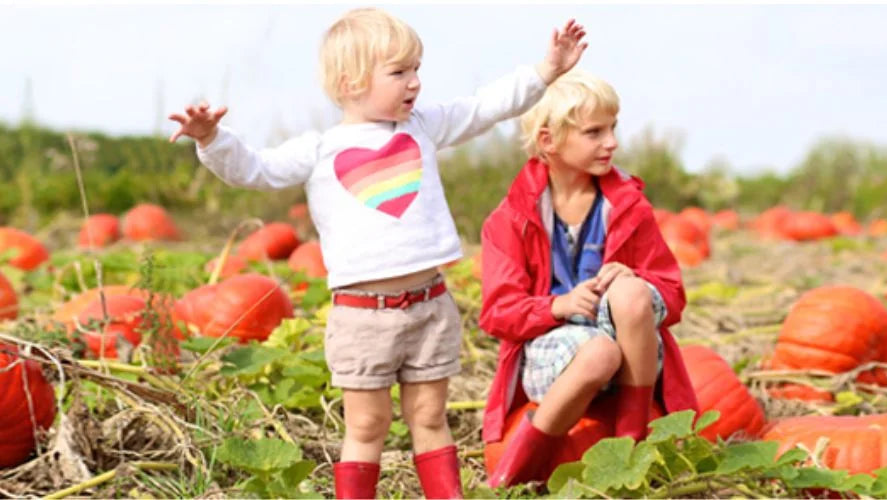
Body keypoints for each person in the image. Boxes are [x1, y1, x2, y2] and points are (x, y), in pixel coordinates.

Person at [167, 8, 587, 499]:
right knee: (366, 427)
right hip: (363, 319)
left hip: (429, 306)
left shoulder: (422, 128)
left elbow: (485, 106)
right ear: (351, 83)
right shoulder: (320, 148)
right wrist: (211, 139)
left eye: (417, 69)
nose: (415, 83)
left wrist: (546, 71)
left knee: (430, 416)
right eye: (400, 72)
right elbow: (256, 169)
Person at [478, 70, 699, 488]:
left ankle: (629, 442)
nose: (611, 142)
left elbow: (672, 296)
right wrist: (556, 305)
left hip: (631, 347)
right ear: (549, 141)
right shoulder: (508, 222)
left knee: (630, 291)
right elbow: (497, 314)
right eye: (594, 132)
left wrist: (630, 276)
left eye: (613, 128)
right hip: (555, 352)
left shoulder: (631, 207)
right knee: (599, 353)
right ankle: (512, 475)